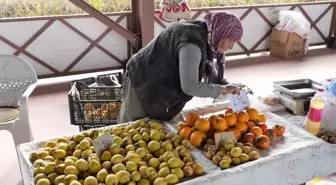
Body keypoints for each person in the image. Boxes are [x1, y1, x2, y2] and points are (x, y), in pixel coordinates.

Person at [118, 12, 243, 123]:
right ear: (221, 32)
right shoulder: (192, 44)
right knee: (131, 126)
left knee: (149, 130)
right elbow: (190, 86)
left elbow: (209, 72)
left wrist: (227, 86)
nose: (231, 47)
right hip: (143, 79)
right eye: (230, 40)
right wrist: (223, 90)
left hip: (162, 79)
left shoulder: (206, 35)